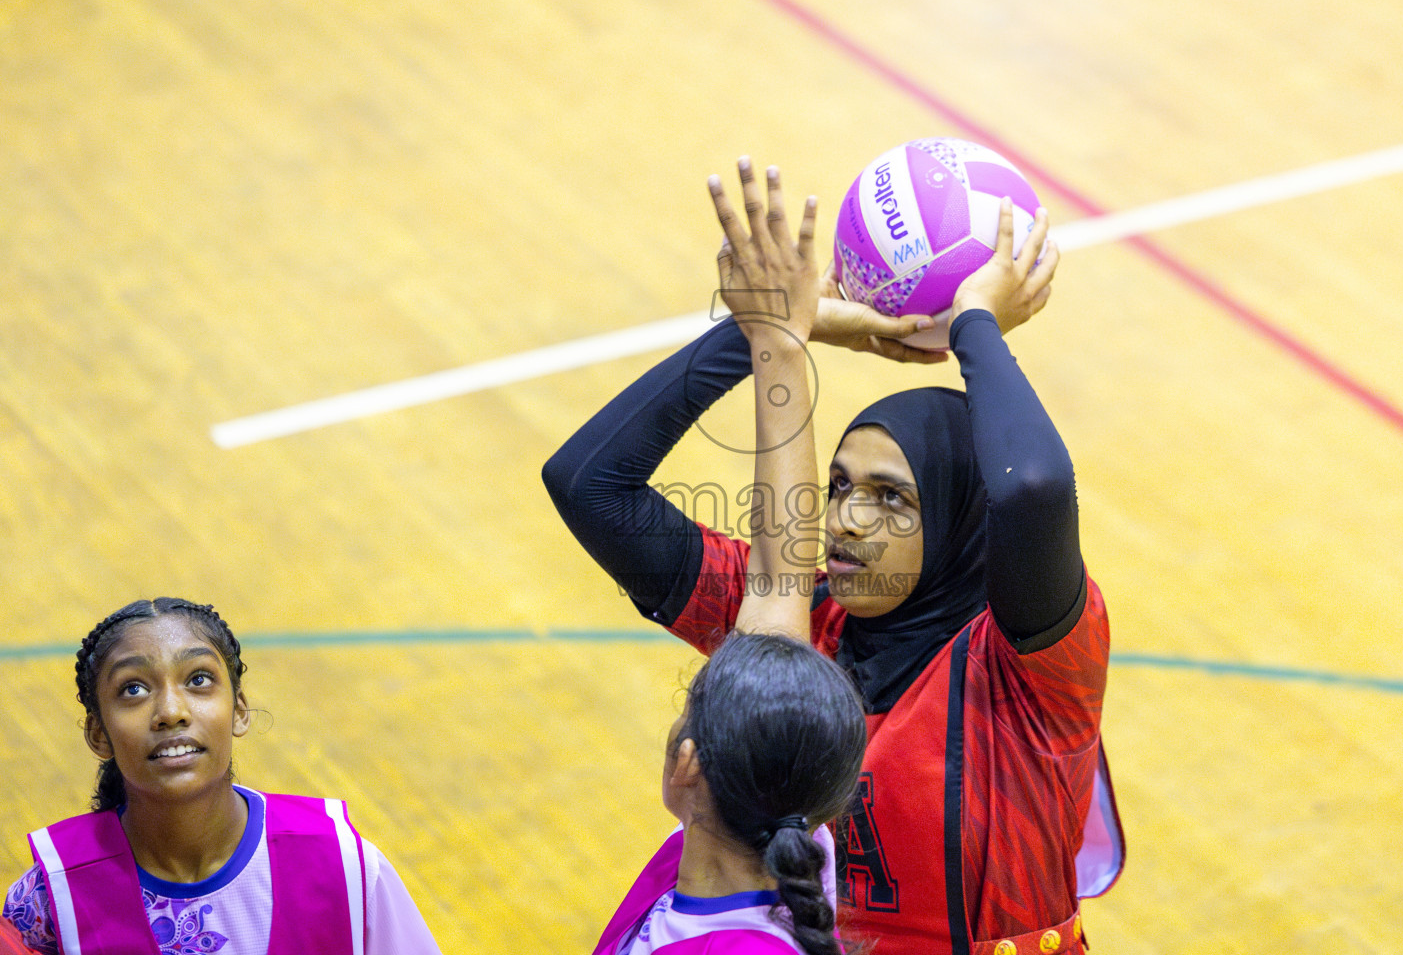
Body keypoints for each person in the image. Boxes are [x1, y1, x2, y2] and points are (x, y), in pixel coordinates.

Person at [546, 157, 1124, 955]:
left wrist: (975, 324)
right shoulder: (794, 619)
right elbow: (588, 484)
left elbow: (1032, 487)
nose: (846, 521)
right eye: (839, 486)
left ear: (963, 522)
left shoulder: (1028, 672)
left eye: (892, 498)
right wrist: (772, 331)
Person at [592, 162, 867, 955]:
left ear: (688, 766)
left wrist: (781, 338)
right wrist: (778, 340)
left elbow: (780, 585)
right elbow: (780, 576)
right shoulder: (773, 858)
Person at [2, 597, 442, 955]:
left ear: (239, 710)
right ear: (99, 733)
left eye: (198, 680)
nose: (171, 711)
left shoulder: (344, 867)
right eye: (133, 689)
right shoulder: (47, 902)